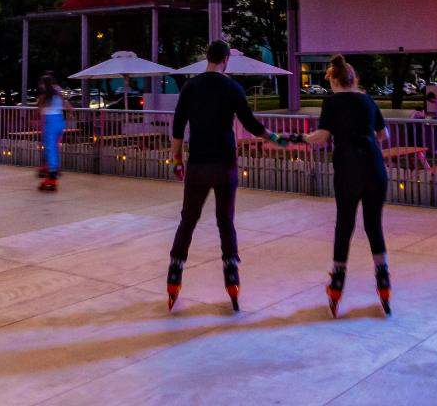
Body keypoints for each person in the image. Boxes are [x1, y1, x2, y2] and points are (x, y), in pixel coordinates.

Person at [165, 40, 288, 312]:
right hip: (225, 164)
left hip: (197, 163)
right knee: (225, 220)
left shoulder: (190, 87)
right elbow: (252, 124)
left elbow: (177, 126)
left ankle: (175, 272)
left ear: (206, 58)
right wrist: (276, 138)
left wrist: (176, 160)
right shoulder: (233, 88)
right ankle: (231, 274)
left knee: (188, 219)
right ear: (226, 60)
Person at [301, 55, 391, 317]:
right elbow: (384, 135)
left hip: (348, 168)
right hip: (375, 167)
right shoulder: (367, 100)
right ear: (354, 79)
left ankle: (337, 283)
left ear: (334, 80)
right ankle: (383, 280)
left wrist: (303, 137)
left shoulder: (331, 102)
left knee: (345, 224)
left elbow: (322, 137)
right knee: (374, 225)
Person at [35, 73, 65, 192]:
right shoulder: (58, 95)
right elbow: (67, 106)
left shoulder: (44, 97)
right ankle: (51, 173)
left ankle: (51, 172)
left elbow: (39, 109)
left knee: (50, 148)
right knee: (53, 148)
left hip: (50, 123)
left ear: (43, 84)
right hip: (60, 121)